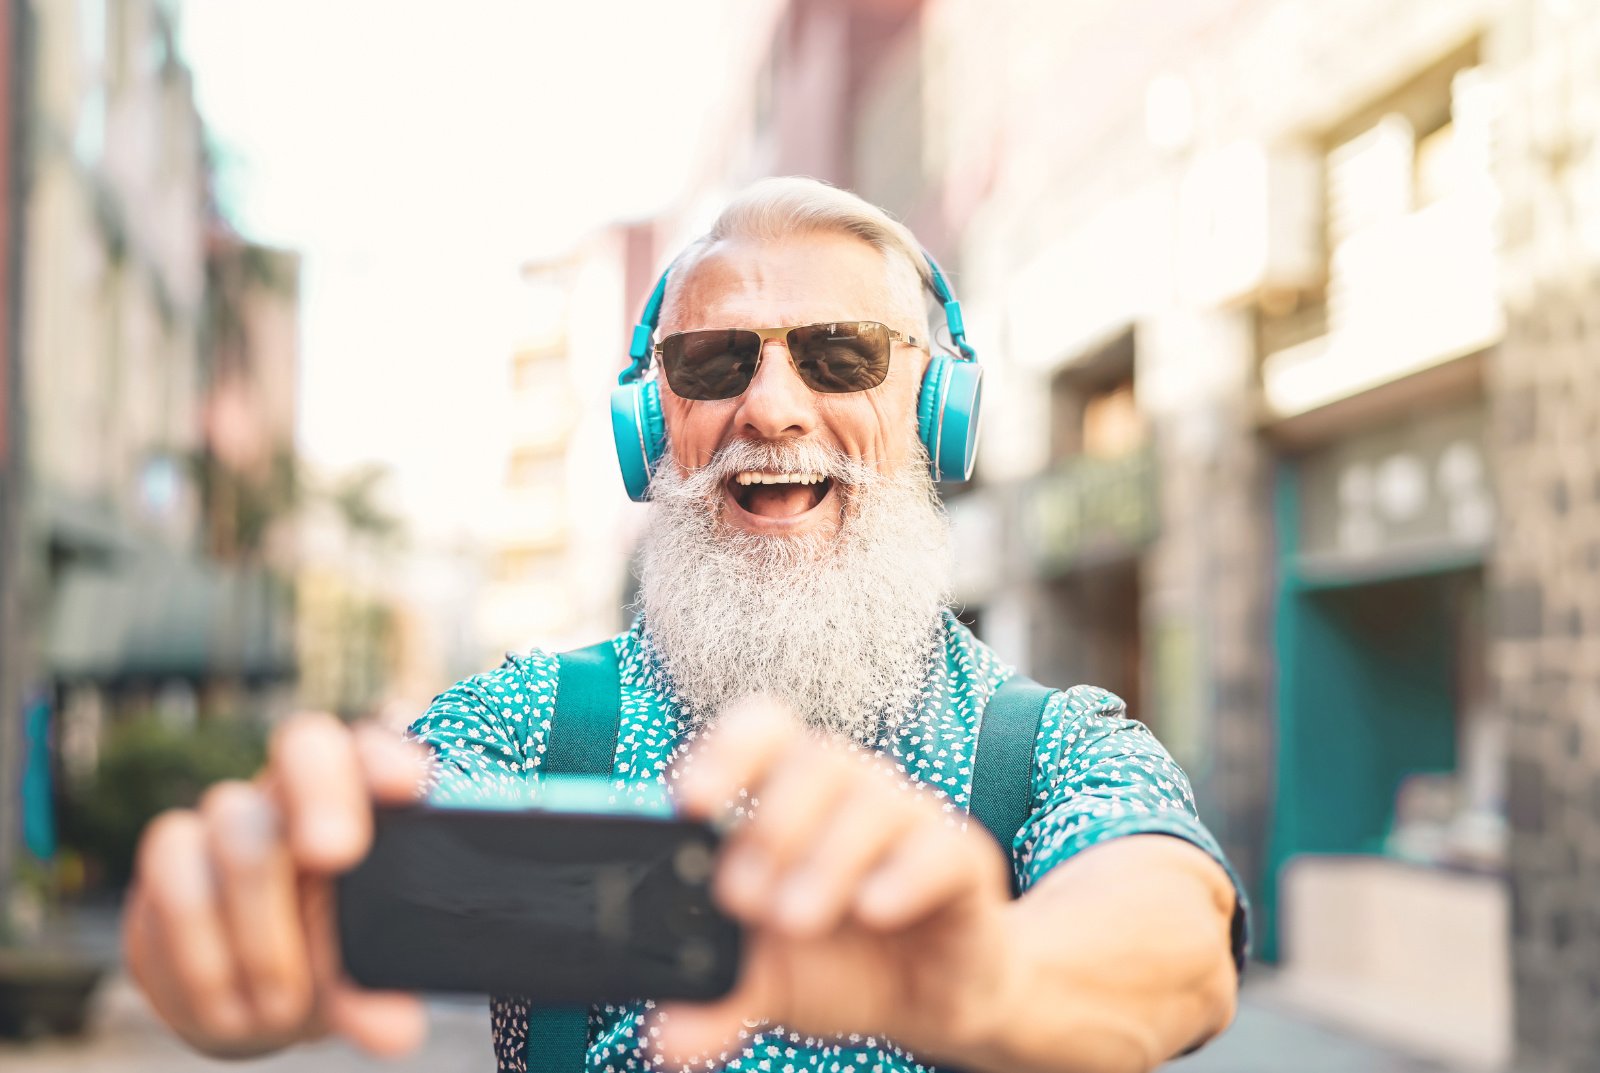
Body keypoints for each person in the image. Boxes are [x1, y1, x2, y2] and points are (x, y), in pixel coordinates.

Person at [122, 177, 1248, 1073]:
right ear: (650, 428)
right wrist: (235, 931)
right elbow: (330, 871)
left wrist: (987, 977)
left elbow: (1177, 941)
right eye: (712, 363)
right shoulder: (531, 720)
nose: (768, 404)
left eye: (839, 352)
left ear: (936, 410)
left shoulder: (1052, 744)